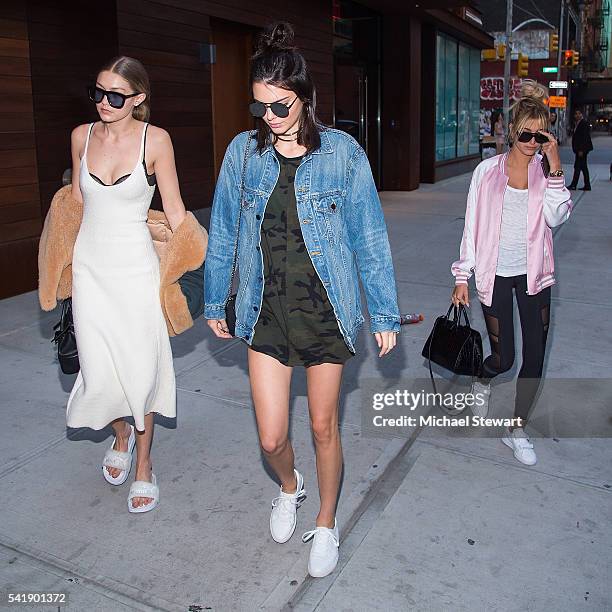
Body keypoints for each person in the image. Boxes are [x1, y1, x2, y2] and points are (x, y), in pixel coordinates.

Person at [204, 22, 400, 578]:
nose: (269, 119)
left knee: (322, 426)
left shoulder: (342, 154)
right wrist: (216, 299)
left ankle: (328, 519)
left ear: (306, 99)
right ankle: (290, 487)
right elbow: (222, 230)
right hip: (265, 308)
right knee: (271, 436)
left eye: (281, 107)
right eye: (259, 107)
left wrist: (383, 311)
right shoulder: (243, 155)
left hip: (324, 309)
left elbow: (368, 235)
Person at [67, 56, 186, 512]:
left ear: (138, 99)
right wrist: (58, 269)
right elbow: (74, 207)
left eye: (115, 96)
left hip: (136, 271)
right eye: (96, 92)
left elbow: (175, 213)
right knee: (99, 369)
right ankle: (120, 435)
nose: (103, 102)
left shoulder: (155, 141)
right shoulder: (81, 137)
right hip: (90, 271)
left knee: (140, 368)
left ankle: (144, 464)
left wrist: (200, 267)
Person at [451, 83, 572, 466]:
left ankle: (516, 428)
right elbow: (471, 225)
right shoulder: (486, 172)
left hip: (535, 275)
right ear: (512, 131)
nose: (532, 142)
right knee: (505, 359)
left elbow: (557, 217)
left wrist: (554, 168)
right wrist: (461, 276)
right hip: (496, 274)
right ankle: (482, 380)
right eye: (526, 134)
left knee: (534, 359)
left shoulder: (545, 171)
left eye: (541, 135)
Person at [567, 108, 593, 191]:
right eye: (576, 114)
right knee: (583, 167)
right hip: (579, 149)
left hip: (582, 150)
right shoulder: (577, 123)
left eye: (579, 113)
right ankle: (587, 185)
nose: (577, 115)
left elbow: (584, 137)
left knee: (578, 167)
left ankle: (574, 185)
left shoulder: (583, 123)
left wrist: (581, 150)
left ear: (581, 114)